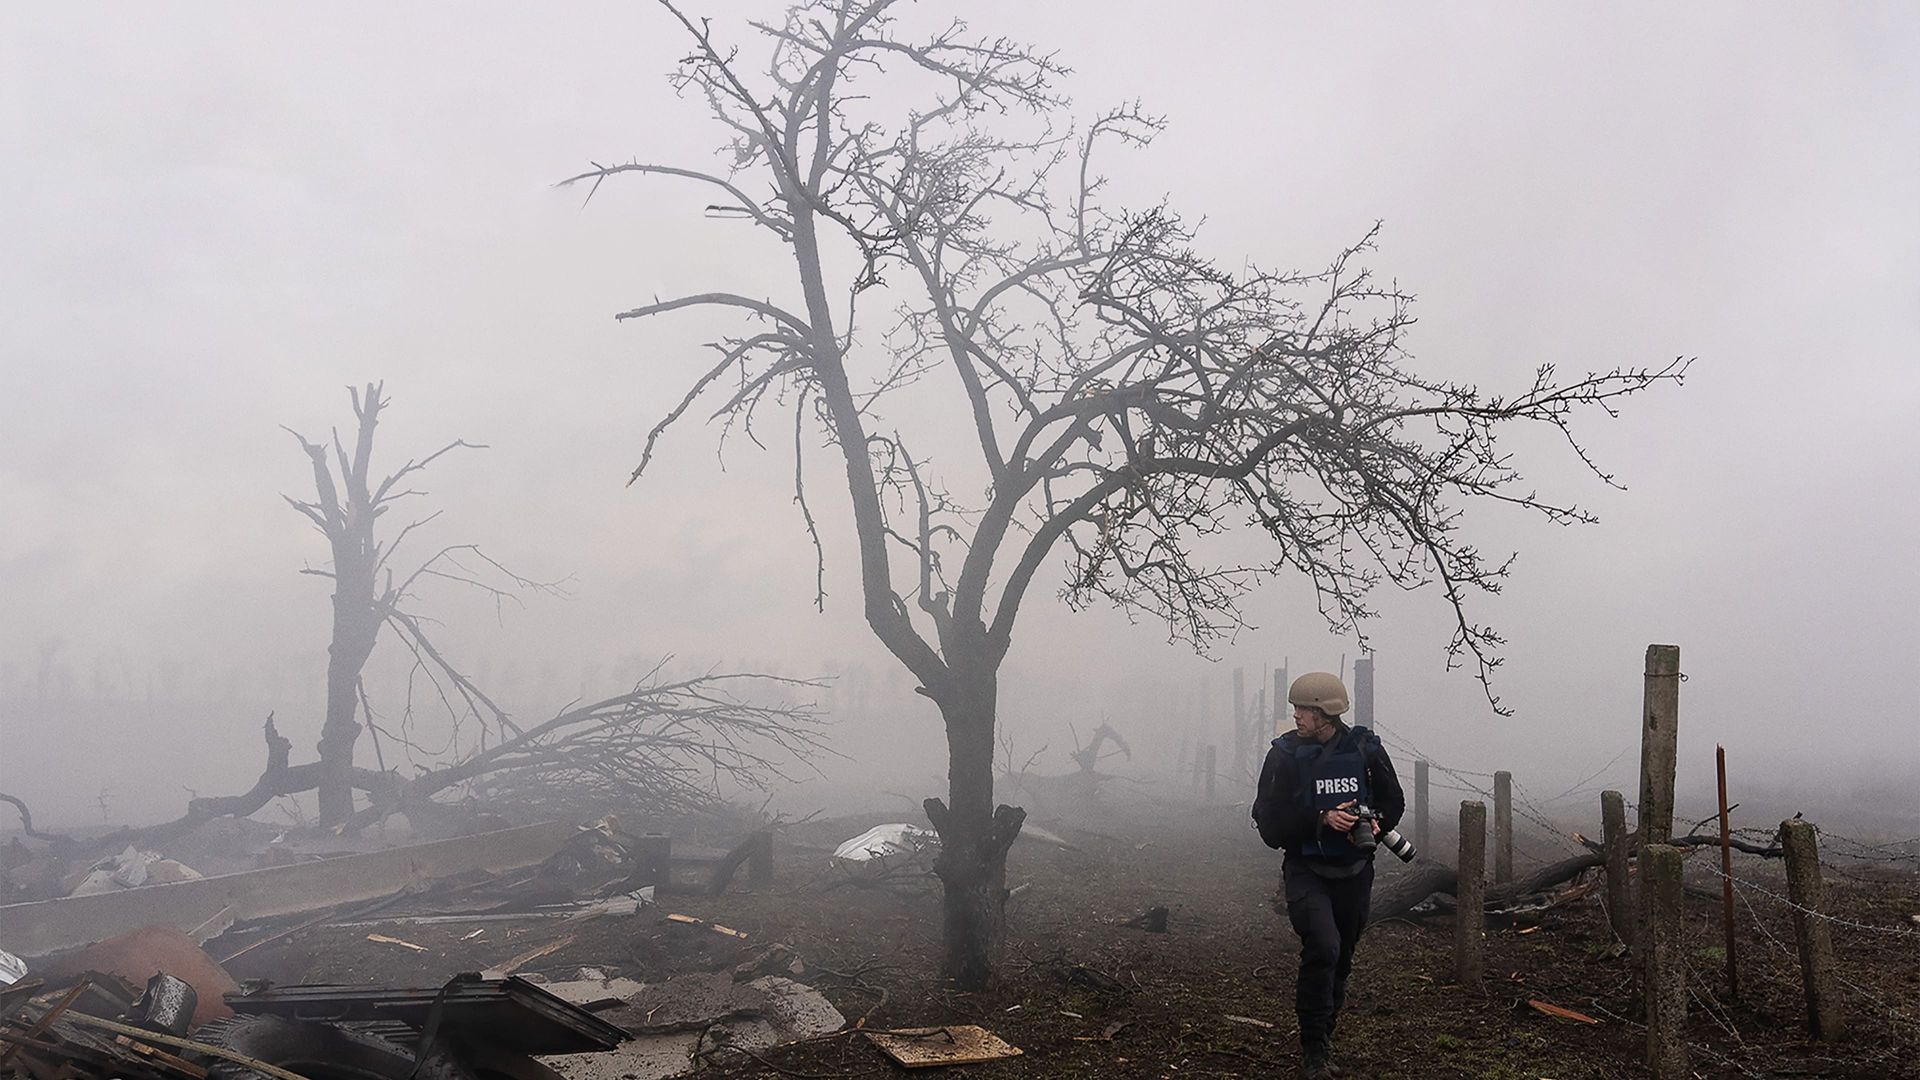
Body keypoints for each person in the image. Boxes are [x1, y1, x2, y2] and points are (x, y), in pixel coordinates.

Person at [1251, 671, 1405, 1079]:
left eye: (1304, 709)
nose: (1296, 715)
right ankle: (1313, 1050)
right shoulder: (1282, 756)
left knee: (1342, 956)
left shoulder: (1365, 749)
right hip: (1306, 868)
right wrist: (1319, 819)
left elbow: (1393, 800)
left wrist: (1376, 823)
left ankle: (1325, 1036)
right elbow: (1268, 823)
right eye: (1296, 708)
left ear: (1327, 713)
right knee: (1323, 946)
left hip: (1355, 869)